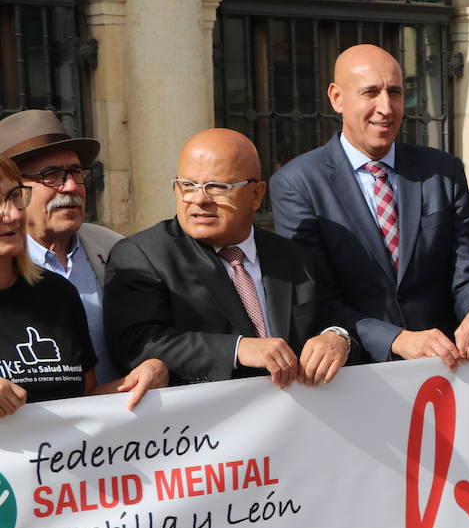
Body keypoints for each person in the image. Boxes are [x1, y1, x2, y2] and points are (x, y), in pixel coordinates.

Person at [270, 43, 469, 370]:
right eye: (370, 93)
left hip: (449, 367)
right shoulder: (298, 183)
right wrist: (395, 339)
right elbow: (315, 296)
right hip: (359, 372)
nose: (386, 107)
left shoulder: (442, 171)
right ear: (336, 98)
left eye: (394, 92)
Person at [103, 129, 351, 389]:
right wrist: (237, 349)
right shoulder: (142, 255)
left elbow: (331, 319)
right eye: (187, 186)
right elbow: (136, 344)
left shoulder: (294, 258)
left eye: (217, 188)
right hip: (204, 424)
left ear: (256, 195)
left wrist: (337, 337)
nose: (199, 200)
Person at [0, 154, 164, 417]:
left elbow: (85, 398)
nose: (10, 214)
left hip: (72, 457)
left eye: (14, 197)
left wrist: (146, 375)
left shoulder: (58, 293)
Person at [0, 109, 120, 382]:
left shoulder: (116, 249)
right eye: (50, 175)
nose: (69, 187)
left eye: (75, 172)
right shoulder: (7, 267)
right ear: (17, 189)